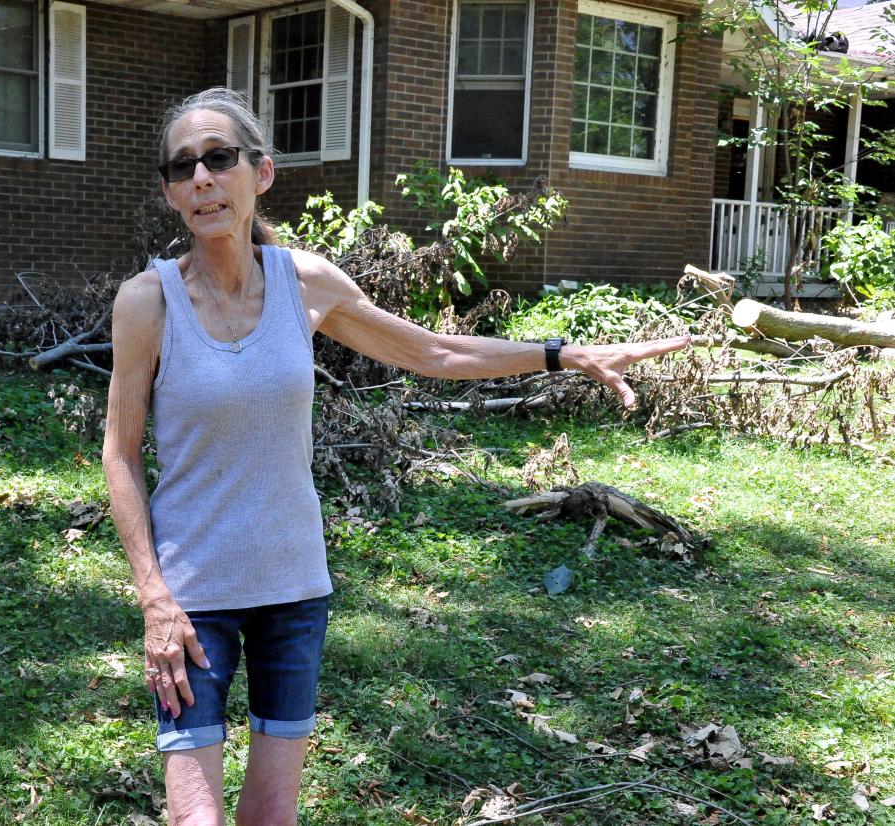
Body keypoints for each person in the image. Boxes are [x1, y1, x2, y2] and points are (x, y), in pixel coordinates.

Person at [102, 87, 690, 826]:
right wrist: (153, 599)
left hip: (292, 587)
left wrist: (561, 353)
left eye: (218, 159)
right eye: (181, 167)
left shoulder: (305, 283)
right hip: (191, 599)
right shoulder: (145, 302)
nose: (201, 179)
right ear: (168, 191)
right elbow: (119, 454)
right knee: (196, 818)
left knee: (272, 816)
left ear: (261, 172)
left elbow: (433, 350)